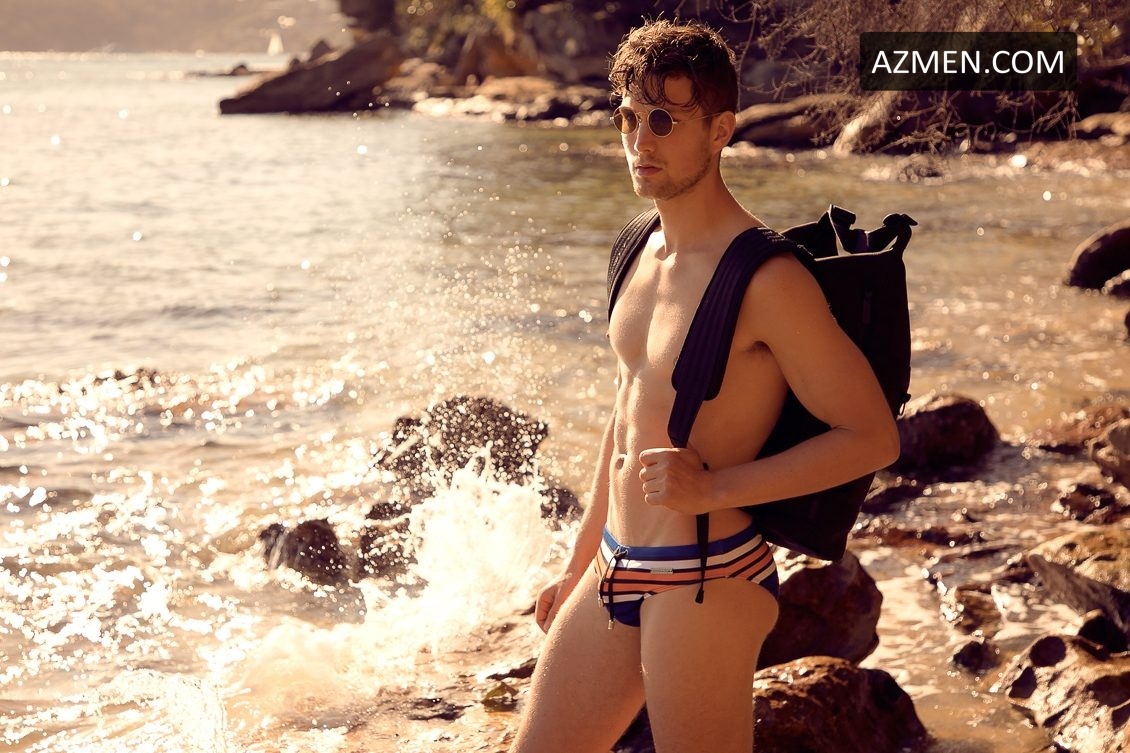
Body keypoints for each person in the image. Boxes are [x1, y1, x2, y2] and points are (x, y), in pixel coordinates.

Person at [509, 18, 900, 753]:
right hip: (614, 563)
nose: (640, 140)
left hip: (705, 577)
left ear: (720, 130)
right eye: (629, 117)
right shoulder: (637, 246)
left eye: (664, 120)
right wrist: (576, 564)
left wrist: (715, 489)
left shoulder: (767, 279)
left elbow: (872, 436)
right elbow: (628, 417)